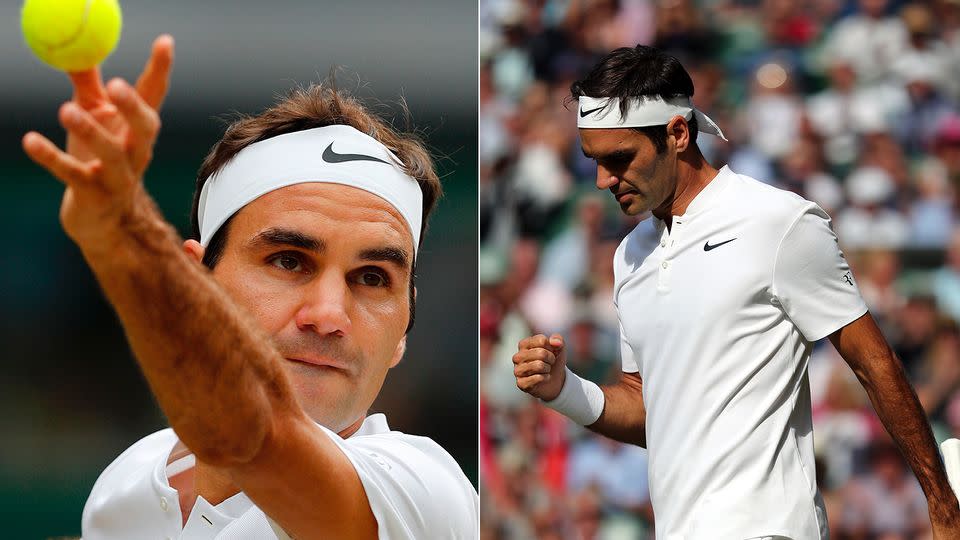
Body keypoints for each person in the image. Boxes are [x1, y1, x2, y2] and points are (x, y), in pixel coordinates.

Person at [21, 35, 478, 540]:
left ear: (404, 330)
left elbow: (253, 438)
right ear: (198, 278)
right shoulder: (124, 489)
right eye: (288, 261)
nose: (329, 315)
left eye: (372, 278)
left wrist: (120, 235)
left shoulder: (427, 495)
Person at [512, 45, 960, 539]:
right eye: (593, 161)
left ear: (678, 133)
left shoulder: (779, 221)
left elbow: (875, 365)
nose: (602, 180)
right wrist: (563, 390)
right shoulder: (629, 256)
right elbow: (649, 412)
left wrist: (942, 506)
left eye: (619, 158)